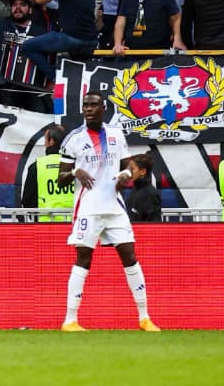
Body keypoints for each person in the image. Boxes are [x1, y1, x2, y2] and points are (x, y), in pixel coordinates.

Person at [60, 92, 159, 332]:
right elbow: (61, 178)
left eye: (93, 105)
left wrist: (125, 175)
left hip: (114, 207)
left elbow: (129, 167)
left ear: (103, 108)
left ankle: (144, 317)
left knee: (130, 257)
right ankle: (70, 320)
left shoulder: (116, 134)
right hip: (89, 208)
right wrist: (75, 173)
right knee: (83, 259)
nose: (88, 109)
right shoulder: (73, 139)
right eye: (85, 105)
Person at [21, 123, 77, 222]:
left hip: (46, 225)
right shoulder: (76, 165)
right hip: (74, 222)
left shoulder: (37, 166)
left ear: (51, 142)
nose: (44, 144)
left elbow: (28, 200)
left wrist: (37, 219)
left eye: (45, 140)